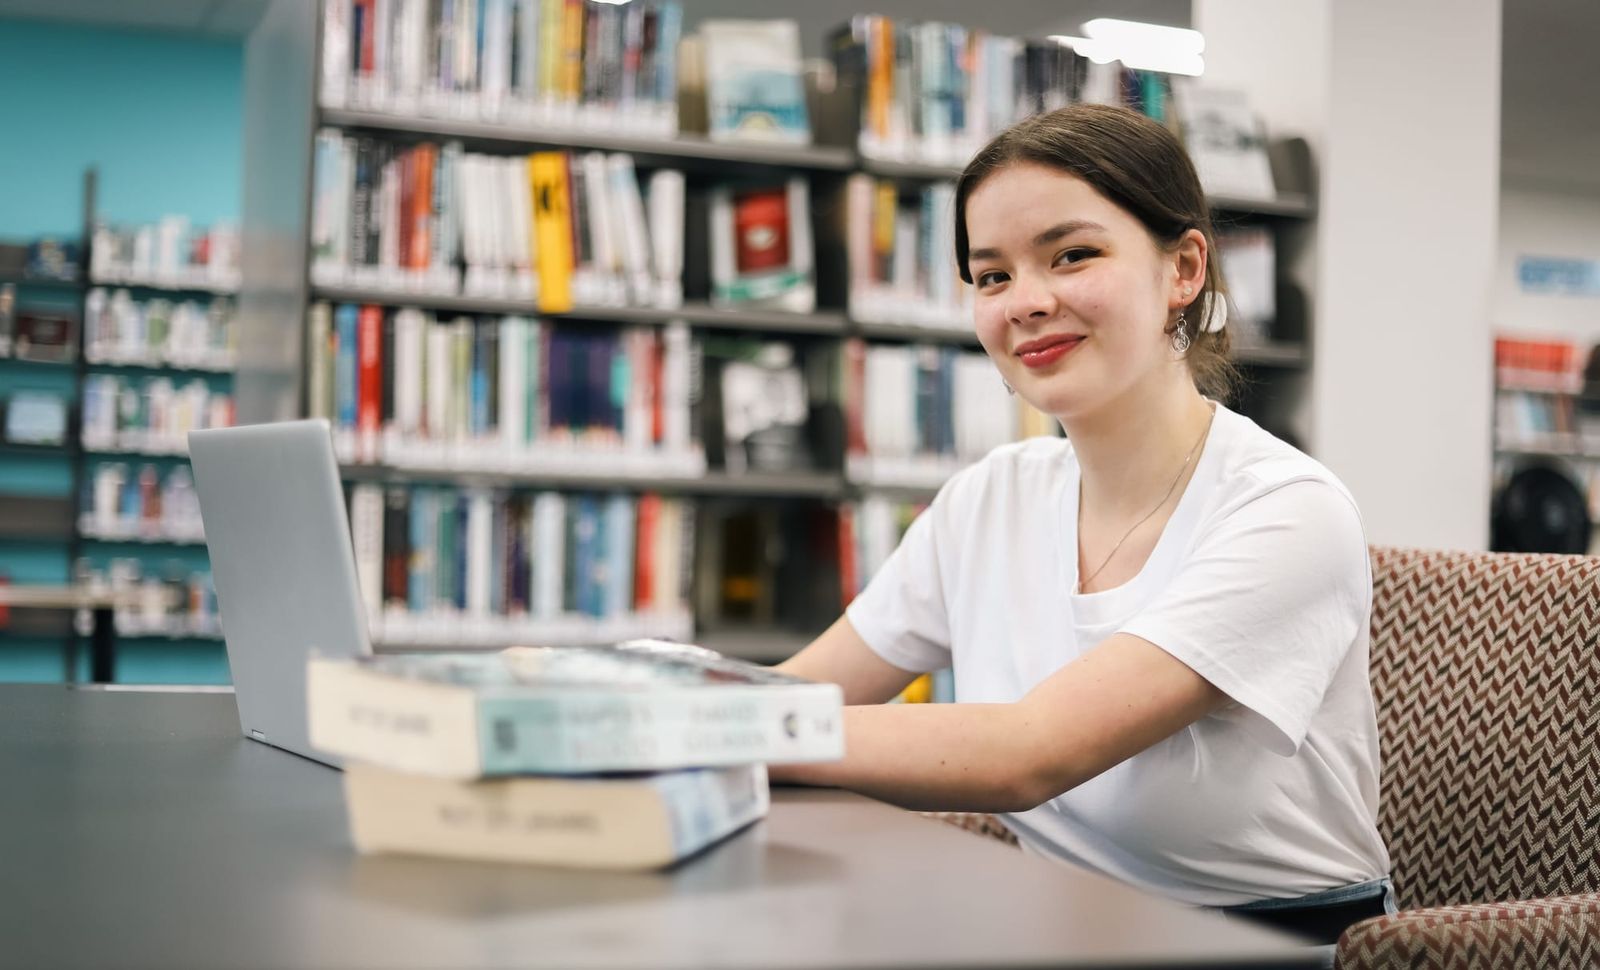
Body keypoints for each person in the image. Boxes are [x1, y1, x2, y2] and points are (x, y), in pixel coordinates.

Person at [774, 103, 1392, 946]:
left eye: (1072, 255)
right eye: (992, 277)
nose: (1025, 302)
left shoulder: (1287, 511)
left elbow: (1030, 753)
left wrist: (717, 732)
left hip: (1264, 945)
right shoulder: (989, 498)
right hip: (1056, 926)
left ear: (1183, 269)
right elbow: (806, 694)